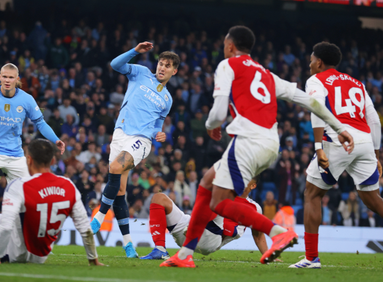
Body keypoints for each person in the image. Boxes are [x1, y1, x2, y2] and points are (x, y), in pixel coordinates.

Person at [161, 26, 353, 268]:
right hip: (271, 143)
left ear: (230, 46)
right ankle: (185, 254)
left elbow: (219, 112)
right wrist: (340, 128)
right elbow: (309, 100)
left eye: (224, 45)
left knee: (218, 202)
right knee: (207, 184)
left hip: (248, 139)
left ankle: (278, 232)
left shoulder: (227, 65)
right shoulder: (266, 74)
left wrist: (212, 125)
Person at [290, 42, 382, 269]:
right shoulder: (357, 83)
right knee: (372, 200)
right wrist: (377, 153)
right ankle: (311, 258)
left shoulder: (316, 79)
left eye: (312, 60)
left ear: (319, 62)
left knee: (311, 194)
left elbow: (317, 107)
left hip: (339, 140)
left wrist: (318, 146)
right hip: (365, 143)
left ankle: (311, 258)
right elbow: (373, 121)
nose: (309, 64)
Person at [90, 42, 180, 258]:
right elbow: (115, 64)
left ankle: (98, 219)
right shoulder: (141, 73)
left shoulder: (167, 99)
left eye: (167, 66)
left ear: (174, 71)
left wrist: (160, 134)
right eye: (160, 63)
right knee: (119, 190)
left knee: (114, 167)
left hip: (141, 140)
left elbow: (158, 125)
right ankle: (129, 244)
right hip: (120, 133)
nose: (162, 68)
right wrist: (135, 52)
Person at [0, 63, 65, 209]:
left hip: (15, 154)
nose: (7, 80)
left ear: (17, 79)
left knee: (26, 198)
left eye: (11, 77)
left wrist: (55, 139)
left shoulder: (27, 99)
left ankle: (24, 230)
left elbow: (41, 123)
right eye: (4, 77)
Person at [142, 176, 270, 260]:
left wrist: (268, 255)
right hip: (188, 228)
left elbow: (258, 236)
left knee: (220, 198)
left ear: (253, 185)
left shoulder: (254, 208)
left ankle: (195, 226)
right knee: (158, 198)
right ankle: (160, 250)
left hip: (211, 238)